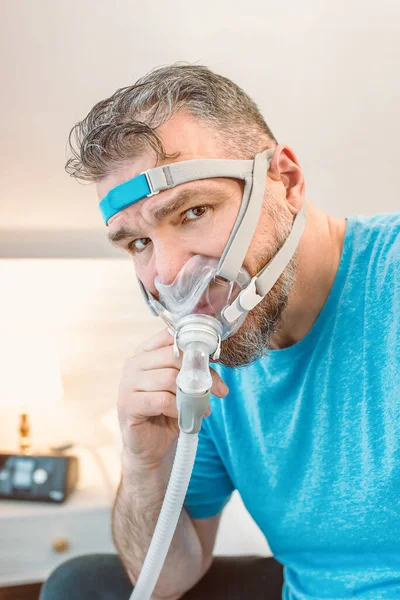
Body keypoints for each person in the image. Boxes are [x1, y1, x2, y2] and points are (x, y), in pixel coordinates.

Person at [40, 64, 400, 600]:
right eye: (137, 243)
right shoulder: (209, 373)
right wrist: (144, 464)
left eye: (193, 211)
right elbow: (164, 578)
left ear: (287, 182)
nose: (167, 273)